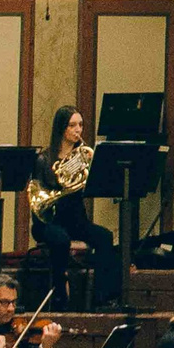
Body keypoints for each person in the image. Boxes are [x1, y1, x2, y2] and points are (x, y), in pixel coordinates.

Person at [29, 106, 119, 305]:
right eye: (72, 125)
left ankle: (103, 298)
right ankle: (60, 293)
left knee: (105, 237)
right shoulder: (44, 159)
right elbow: (38, 194)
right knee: (60, 240)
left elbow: (93, 187)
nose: (78, 130)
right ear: (61, 128)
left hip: (75, 220)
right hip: (48, 222)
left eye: (80, 125)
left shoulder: (83, 157)